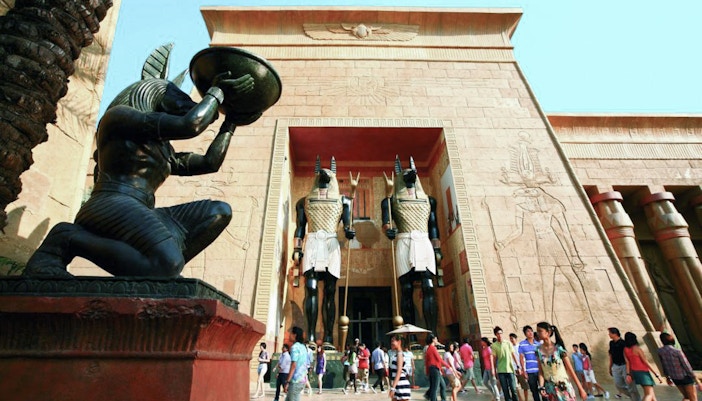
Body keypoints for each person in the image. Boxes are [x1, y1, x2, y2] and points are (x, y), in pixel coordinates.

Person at [25, 65, 258, 278]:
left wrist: (231, 123)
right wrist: (216, 92)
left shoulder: (162, 148)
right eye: (178, 99)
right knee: (167, 262)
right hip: (111, 202)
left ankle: (163, 273)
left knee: (218, 211)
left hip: (142, 209)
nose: (184, 104)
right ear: (154, 92)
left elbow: (209, 163)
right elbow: (191, 125)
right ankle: (68, 238)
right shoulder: (119, 118)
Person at [292, 156, 355, 344]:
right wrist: (297, 248)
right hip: (311, 242)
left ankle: (328, 335)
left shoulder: (343, 201)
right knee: (310, 288)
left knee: (330, 290)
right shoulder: (304, 202)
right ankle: (311, 335)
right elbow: (300, 227)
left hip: (331, 244)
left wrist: (349, 231)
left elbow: (347, 225)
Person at [381, 156, 442, 334]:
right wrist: (388, 230)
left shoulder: (429, 200)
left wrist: (437, 248)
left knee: (428, 285)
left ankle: (432, 334)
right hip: (404, 241)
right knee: (406, 288)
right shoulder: (390, 201)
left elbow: (433, 226)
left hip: (423, 241)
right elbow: (386, 223)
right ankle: (411, 337)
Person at [535, 322, 587, 401]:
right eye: (537, 331)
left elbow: (570, 369)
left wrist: (580, 388)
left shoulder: (559, 349)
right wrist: (541, 387)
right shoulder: (538, 350)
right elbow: (541, 371)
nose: (538, 333)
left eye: (540, 331)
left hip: (563, 386)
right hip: (550, 389)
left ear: (548, 332)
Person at [657, 332, 699, 401]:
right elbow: (686, 365)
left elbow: (664, 365)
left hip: (675, 378)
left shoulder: (660, 351)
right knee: (693, 398)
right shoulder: (677, 351)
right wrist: (695, 378)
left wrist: (667, 377)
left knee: (686, 397)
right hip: (685, 377)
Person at [623, 332, 662, 401]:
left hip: (635, 372)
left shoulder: (625, 350)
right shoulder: (637, 349)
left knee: (652, 394)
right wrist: (656, 373)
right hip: (643, 372)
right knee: (649, 394)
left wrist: (628, 374)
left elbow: (627, 363)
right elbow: (645, 361)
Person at [609, 328, 641, 401]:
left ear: (615, 334)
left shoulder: (623, 343)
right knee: (618, 385)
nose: (609, 334)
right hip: (616, 366)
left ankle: (636, 399)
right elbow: (611, 355)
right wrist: (610, 367)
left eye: (610, 333)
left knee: (631, 385)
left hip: (624, 365)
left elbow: (628, 356)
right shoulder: (611, 343)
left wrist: (629, 369)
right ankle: (633, 396)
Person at [491, 326, 520, 401]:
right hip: (501, 370)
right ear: (495, 335)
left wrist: (518, 366)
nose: (500, 335)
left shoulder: (508, 343)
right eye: (498, 333)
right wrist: (494, 370)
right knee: (505, 390)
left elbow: (513, 355)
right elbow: (494, 359)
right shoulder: (494, 346)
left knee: (513, 389)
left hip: (510, 369)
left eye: (501, 333)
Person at [425, 333, 456, 401]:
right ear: (433, 340)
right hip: (434, 369)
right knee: (435, 388)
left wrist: (428, 371)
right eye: (436, 339)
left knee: (442, 386)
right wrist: (448, 366)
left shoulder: (429, 348)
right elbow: (439, 359)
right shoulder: (432, 348)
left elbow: (427, 361)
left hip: (434, 369)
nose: (437, 340)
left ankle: (443, 399)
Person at [519, 325, 543, 401]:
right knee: (534, 391)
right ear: (525, 334)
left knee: (543, 390)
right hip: (530, 371)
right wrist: (524, 371)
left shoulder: (538, 344)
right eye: (528, 331)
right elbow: (521, 358)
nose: (530, 333)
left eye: (531, 331)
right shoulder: (522, 344)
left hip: (540, 371)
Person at [285, 327, 309, 401]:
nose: (289, 335)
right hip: (302, 379)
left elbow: (293, 365)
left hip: (295, 380)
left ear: (294, 335)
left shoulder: (295, 347)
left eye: (290, 333)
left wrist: (287, 381)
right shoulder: (303, 347)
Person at [389, 334, 412, 401]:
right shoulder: (397, 354)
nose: (391, 343)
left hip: (401, 385)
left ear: (399, 342)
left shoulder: (400, 355)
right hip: (397, 385)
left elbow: (399, 371)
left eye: (393, 341)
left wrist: (393, 388)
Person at [481, 337, 501, 401]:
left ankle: (497, 397)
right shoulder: (483, 349)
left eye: (482, 341)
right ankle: (494, 394)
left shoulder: (489, 349)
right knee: (485, 382)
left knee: (493, 383)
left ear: (485, 342)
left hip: (490, 368)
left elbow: (492, 360)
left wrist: (493, 369)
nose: (481, 342)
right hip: (486, 368)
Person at [510, 333, 528, 401]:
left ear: (516, 339)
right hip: (514, 369)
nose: (511, 340)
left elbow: (523, 358)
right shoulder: (510, 348)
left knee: (525, 386)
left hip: (521, 369)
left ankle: (526, 399)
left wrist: (523, 369)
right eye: (510, 339)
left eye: (512, 338)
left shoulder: (520, 347)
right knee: (515, 386)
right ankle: (520, 398)